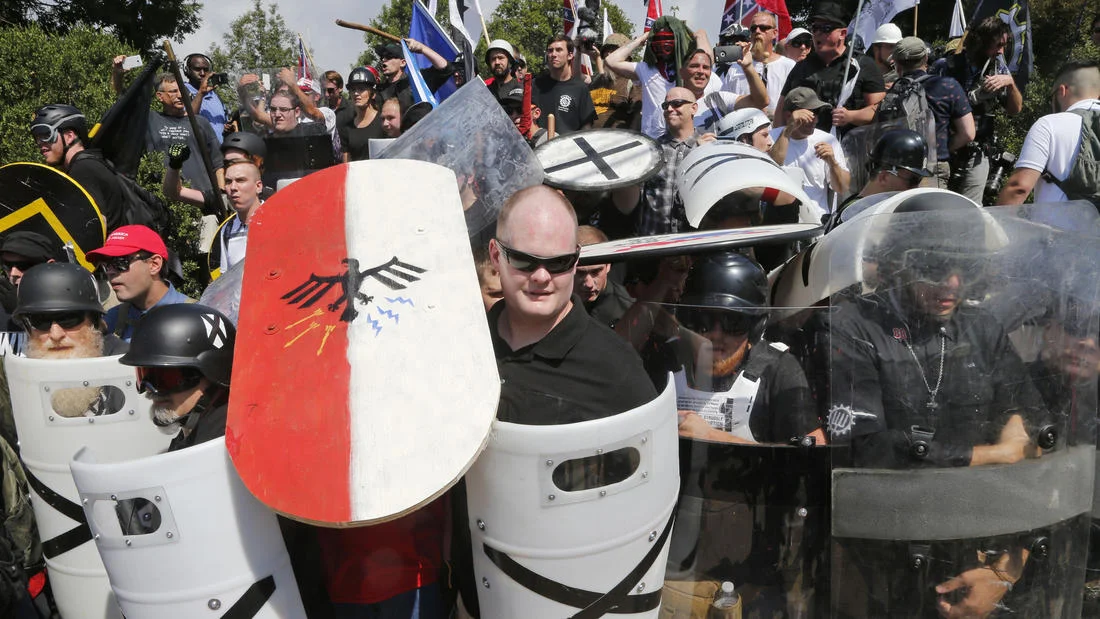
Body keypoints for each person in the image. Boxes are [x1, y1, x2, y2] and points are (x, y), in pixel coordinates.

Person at [826, 192, 1053, 617]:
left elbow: (1036, 427)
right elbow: (866, 446)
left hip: (972, 541)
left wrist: (1004, 572)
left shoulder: (981, 327)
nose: (952, 284)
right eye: (933, 267)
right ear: (899, 262)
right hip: (877, 547)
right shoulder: (853, 324)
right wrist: (989, 455)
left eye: (965, 268)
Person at [487, 185, 656, 423]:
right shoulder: (464, 343)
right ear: (496, 256)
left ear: (575, 261)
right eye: (524, 260)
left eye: (559, 262)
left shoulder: (615, 367)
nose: (541, 277)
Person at [669, 252, 824, 444]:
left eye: (732, 322)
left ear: (755, 327)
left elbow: (812, 454)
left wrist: (712, 436)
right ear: (687, 320)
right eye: (703, 320)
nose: (716, 335)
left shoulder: (778, 370)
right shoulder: (667, 364)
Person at [931, 16, 1023, 204]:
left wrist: (1011, 84)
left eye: (1004, 45)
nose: (1000, 51)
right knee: (933, 204)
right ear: (981, 42)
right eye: (997, 45)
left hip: (977, 151)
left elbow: (1015, 110)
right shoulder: (946, 66)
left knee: (971, 209)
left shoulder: (998, 71)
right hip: (943, 148)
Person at [120, 304, 234, 451]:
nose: (151, 391)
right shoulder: (196, 431)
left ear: (215, 372)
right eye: (144, 376)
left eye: (166, 378)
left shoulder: (227, 446)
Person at [774, 2, 886, 136]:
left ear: (842, 34)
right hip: (806, 148)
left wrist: (851, 116)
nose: (818, 34)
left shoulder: (862, 65)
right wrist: (777, 140)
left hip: (849, 148)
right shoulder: (801, 67)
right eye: (815, 28)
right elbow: (781, 110)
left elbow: (879, 110)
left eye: (826, 28)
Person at [997, 60, 1100, 204]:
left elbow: (1019, 188)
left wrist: (996, 225)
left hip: (1055, 225)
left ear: (1062, 91)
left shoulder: (1050, 124)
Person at [605, 17, 718, 138]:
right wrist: (640, 39)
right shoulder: (645, 69)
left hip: (682, 138)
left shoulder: (688, 70)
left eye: (668, 38)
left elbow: (707, 60)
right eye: (658, 38)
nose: (663, 43)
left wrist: (700, 36)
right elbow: (611, 60)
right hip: (653, 138)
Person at [626, 88, 716, 235]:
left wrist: (706, 155)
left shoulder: (708, 146)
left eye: (677, 104)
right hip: (655, 244)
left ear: (694, 108)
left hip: (695, 244)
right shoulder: (651, 150)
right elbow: (633, 201)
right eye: (665, 105)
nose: (669, 109)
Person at [889, 37, 974, 187]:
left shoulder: (893, 91)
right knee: (931, 210)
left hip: (898, 170)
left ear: (896, 64)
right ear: (926, 57)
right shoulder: (948, 86)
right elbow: (968, 133)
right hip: (934, 167)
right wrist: (941, 148)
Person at [87, 226, 194, 342]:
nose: (110, 271)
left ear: (154, 265)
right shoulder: (111, 320)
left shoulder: (197, 316)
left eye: (120, 262)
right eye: (106, 265)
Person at [29, 104, 126, 231]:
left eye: (46, 134)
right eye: (37, 138)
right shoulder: (89, 163)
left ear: (69, 136)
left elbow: (95, 225)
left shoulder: (83, 169)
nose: (40, 143)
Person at [769, 87, 850, 219]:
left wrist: (832, 162)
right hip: (780, 223)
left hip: (817, 222)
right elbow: (773, 168)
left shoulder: (828, 140)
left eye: (817, 113)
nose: (815, 119)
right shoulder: (771, 138)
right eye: (809, 113)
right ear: (789, 115)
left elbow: (842, 188)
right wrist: (789, 128)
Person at [831, 128, 933, 226]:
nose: (916, 188)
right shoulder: (854, 214)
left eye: (919, 180)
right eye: (912, 180)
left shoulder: (895, 211)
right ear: (884, 177)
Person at [144, 73, 224, 193]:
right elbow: (123, 100)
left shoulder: (200, 122)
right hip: (165, 197)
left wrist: (222, 193)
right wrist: (117, 74)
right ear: (160, 96)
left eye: (182, 90)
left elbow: (218, 164)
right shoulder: (150, 119)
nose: (180, 95)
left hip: (203, 196)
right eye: (173, 91)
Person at [721, 11, 796, 117]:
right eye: (753, 28)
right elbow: (724, 103)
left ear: (775, 33)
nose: (757, 31)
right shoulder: (736, 67)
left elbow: (796, 104)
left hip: (777, 130)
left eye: (763, 28)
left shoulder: (788, 66)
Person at [685, 48, 767, 133]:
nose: (701, 71)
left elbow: (760, 102)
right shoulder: (672, 104)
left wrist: (748, 67)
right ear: (681, 71)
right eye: (694, 66)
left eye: (706, 67)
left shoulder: (718, 100)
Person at [531, 35, 597, 135]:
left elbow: (586, 127)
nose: (553, 54)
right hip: (541, 147)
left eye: (559, 50)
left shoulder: (580, 88)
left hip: (568, 148)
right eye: (550, 50)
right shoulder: (536, 84)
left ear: (570, 55)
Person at [574, 226, 633, 329]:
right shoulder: (554, 300)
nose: (589, 284)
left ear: (608, 265)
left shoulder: (627, 309)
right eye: (580, 273)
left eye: (596, 271)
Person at [375, 40, 451, 113]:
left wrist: (422, 48)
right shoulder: (379, 91)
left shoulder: (418, 81)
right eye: (382, 57)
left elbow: (445, 68)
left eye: (389, 57)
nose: (384, 60)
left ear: (403, 63)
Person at [587, 33, 642, 129]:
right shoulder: (595, 81)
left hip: (618, 141)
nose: (609, 54)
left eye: (614, 51)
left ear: (627, 56)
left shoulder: (633, 82)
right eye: (606, 51)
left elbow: (637, 117)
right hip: (591, 139)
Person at [338, 67, 385, 162]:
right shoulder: (346, 128)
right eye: (353, 89)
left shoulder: (384, 121)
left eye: (361, 89)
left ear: (373, 94)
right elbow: (347, 164)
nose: (356, 93)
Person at [182, 53, 229, 143]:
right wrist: (201, 93)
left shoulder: (215, 95)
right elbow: (187, 120)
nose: (202, 73)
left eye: (206, 70)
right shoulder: (181, 91)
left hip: (220, 152)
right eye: (197, 69)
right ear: (187, 70)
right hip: (199, 152)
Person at [868, 23, 903, 87]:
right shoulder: (863, 74)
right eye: (891, 46)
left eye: (897, 47)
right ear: (876, 48)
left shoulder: (902, 78)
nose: (895, 51)